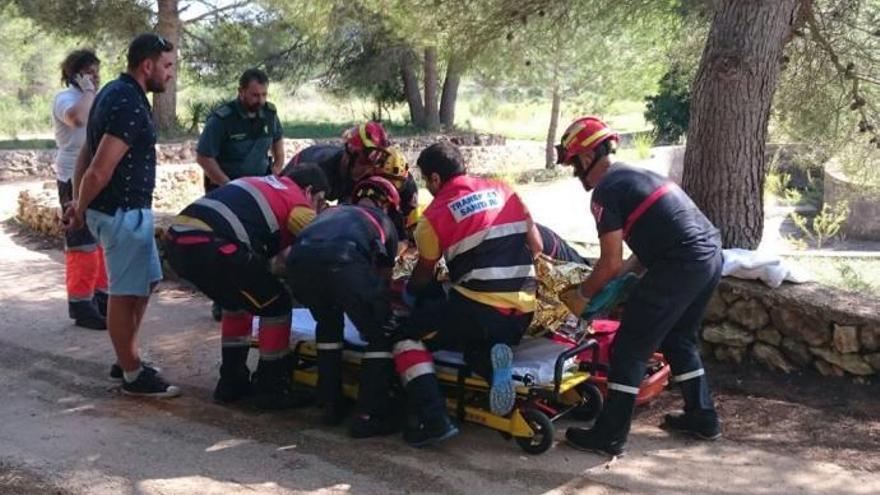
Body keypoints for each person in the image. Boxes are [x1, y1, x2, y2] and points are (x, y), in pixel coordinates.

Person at [554, 116, 723, 456]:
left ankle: (609, 435)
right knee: (678, 338)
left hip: (680, 262)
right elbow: (634, 257)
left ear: (586, 158)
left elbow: (610, 261)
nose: (576, 174)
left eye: (574, 164)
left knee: (629, 346)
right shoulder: (635, 176)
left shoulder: (606, 191)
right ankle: (702, 417)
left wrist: (582, 295)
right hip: (709, 255)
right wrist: (617, 283)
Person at [392, 141, 543, 446]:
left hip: (478, 309)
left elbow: (424, 273)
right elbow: (537, 247)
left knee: (406, 336)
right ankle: (491, 365)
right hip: (523, 311)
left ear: (435, 179)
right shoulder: (505, 190)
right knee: (471, 344)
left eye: (426, 181)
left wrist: (408, 296)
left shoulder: (433, 217)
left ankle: (433, 419)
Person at [62, 33, 179, 397]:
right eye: (167, 66)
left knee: (145, 282)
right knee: (125, 292)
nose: (170, 74)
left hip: (124, 211)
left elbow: (87, 153)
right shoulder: (127, 101)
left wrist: (79, 201)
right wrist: (79, 209)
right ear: (148, 66)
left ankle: (125, 354)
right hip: (122, 212)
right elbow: (100, 166)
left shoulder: (112, 92)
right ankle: (132, 374)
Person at [164, 164, 329, 409]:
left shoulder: (265, 183)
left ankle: (232, 382)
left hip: (177, 241)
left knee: (238, 301)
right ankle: (272, 386)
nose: (318, 207)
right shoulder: (296, 200)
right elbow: (322, 239)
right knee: (277, 303)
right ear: (309, 191)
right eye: (320, 202)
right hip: (213, 244)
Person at [286, 176, 403, 437]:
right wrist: (374, 317)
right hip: (343, 261)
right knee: (381, 332)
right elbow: (381, 285)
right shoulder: (384, 224)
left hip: (299, 265)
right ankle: (370, 413)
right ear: (386, 206)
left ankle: (329, 402)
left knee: (328, 324)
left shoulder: (331, 212)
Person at [196, 68, 285, 322]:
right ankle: (222, 300)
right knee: (225, 247)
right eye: (255, 95)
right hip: (227, 193)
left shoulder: (269, 113)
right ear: (241, 92)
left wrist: (277, 168)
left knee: (258, 245)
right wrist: (227, 184)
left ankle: (254, 297)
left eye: (264, 94)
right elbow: (204, 156)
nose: (260, 100)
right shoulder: (222, 120)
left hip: (259, 192)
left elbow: (277, 140)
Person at [53, 49, 108, 330]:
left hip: (96, 175)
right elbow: (78, 119)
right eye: (89, 72)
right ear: (75, 75)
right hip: (71, 178)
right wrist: (87, 91)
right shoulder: (66, 99)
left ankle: (101, 298)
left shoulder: (96, 98)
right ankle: (81, 305)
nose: (95, 77)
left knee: (100, 241)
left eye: (97, 72)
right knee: (81, 242)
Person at [283, 122, 419, 231]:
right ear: (349, 153)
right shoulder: (317, 167)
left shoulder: (370, 171)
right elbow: (287, 206)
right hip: (290, 196)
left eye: (372, 166)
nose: (366, 170)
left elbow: (403, 180)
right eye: (363, 162)